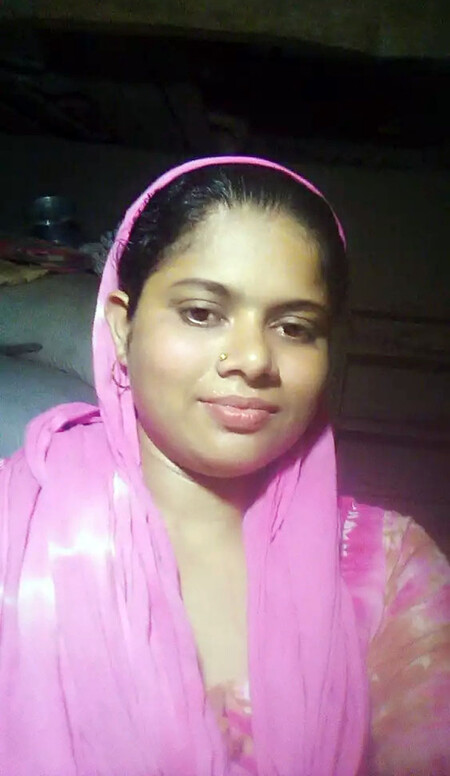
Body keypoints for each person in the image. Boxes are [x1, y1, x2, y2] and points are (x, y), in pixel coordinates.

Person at [0, 156, 448, 776]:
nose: (253, 359)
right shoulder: (15, 525)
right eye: (202, 313)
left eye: (294, 327)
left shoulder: (390, 567)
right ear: (123, 326)